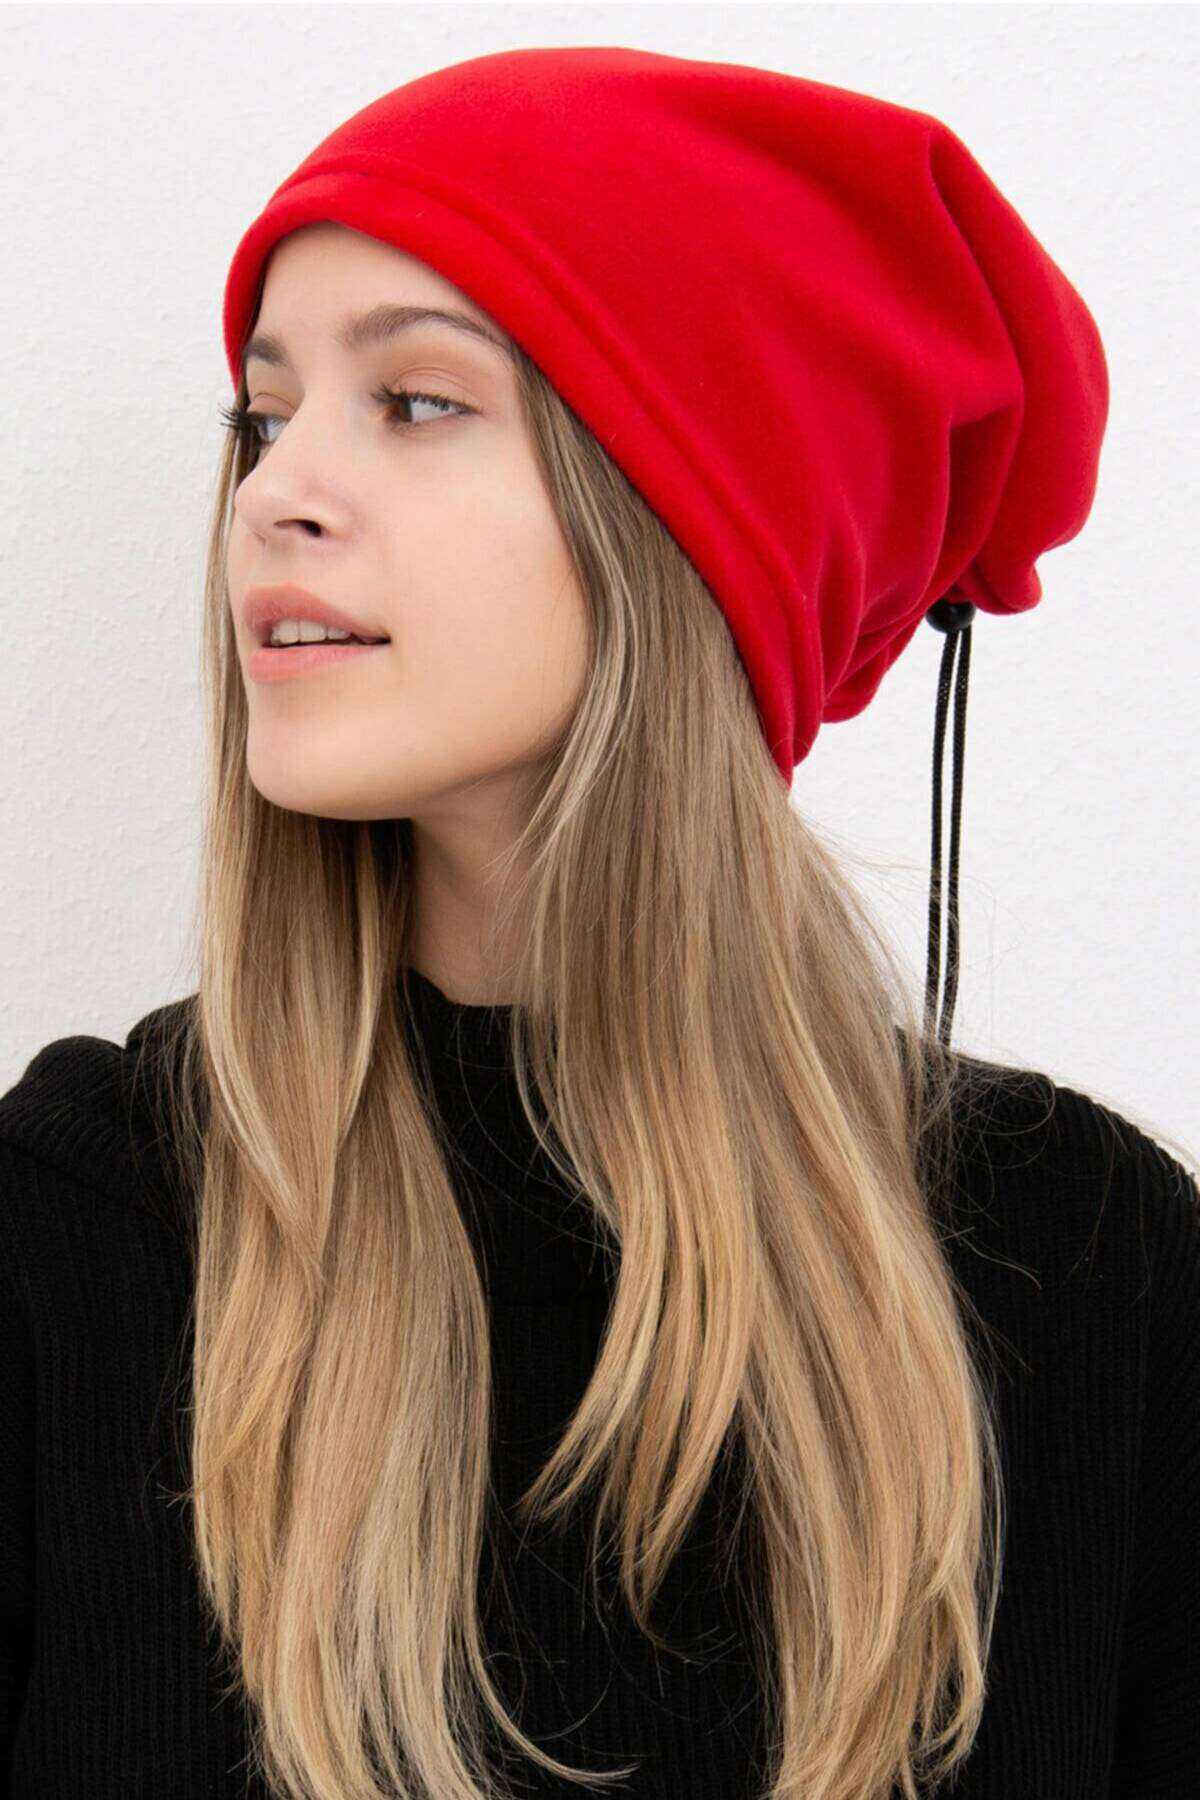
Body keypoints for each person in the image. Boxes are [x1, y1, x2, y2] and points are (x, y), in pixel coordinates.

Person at [1, 46, 1196, 1800]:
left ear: (701, 523)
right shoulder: (80, 1224)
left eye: (418, 401)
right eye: (264, 415)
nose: (268, 494)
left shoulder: (1083, 1269)